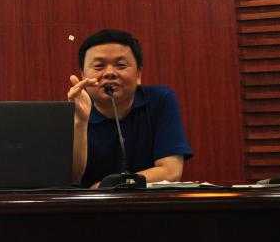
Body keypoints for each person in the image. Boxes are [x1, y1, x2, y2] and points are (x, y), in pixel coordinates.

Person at [67, 29, 192, 188]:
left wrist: (107, 186)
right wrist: (81, 121)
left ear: (138, 74)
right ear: (83, 76)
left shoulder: (160, 100)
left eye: (121, 65)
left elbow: (171, 171)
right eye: (99, 66)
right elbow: (72, 179)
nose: (110, 73)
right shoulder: (72, 111)